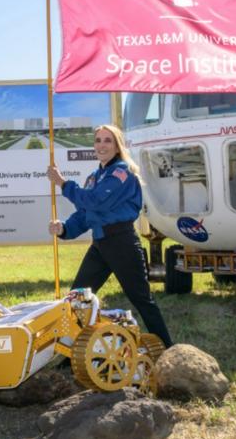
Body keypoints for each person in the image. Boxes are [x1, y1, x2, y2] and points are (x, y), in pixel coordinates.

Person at [48, 124, 174, 347]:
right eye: (98, 140)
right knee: (78, 299)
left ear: (117, 146)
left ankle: (167, 348)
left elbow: (96, 200)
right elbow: (86, 214)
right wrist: (65, 229)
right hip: (100, 245)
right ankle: (71, 354)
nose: (102, 145)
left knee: (142, 299)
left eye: (108, 140)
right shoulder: (94, 177)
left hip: (121, 243)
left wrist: (63, 184)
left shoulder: (122, 173)